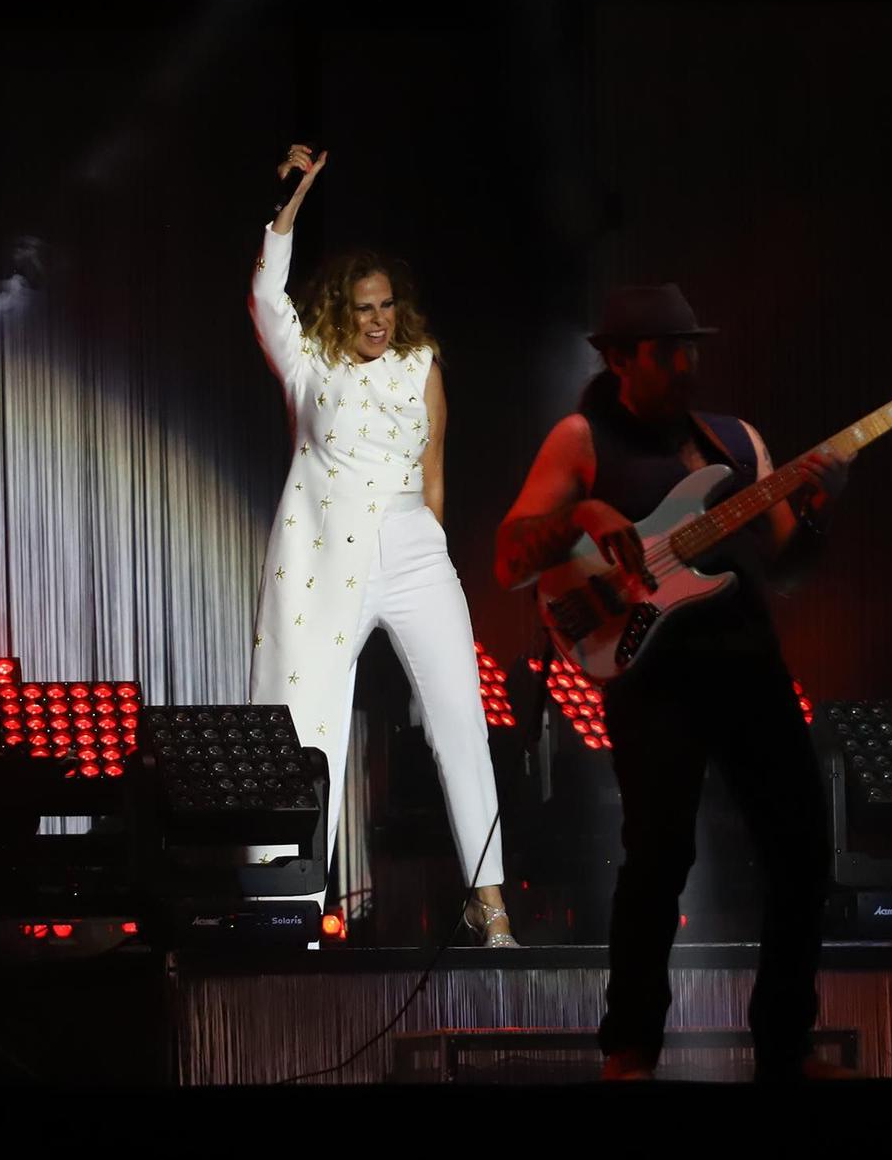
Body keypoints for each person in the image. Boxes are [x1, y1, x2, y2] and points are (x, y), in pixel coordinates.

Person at [493, 283, 851, 1077]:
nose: (686, 365)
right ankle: (630, 1050)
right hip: (655, 676)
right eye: (666, 351)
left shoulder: (736, 442)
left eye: (691, 348)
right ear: (619, 359)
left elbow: (788, 570)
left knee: (801, 856)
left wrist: (821, 506)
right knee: (658, 858)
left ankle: (783, 1048)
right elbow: (510, 556)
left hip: (749, 665)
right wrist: (586, 516)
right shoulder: (583, 439)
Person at [247, 144, 515, 946]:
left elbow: (434, 464)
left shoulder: (421, 362)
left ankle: (489, 901)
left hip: (411, 546)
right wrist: (292, 203)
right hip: (323, 554)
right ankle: (283, 905)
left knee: (460, 716)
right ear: (340, 310)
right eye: (363, 307)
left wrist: (429, 541)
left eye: (387, 306)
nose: (376, 320)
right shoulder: (309, 363)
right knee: (304, 721)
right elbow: (266, 292)